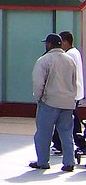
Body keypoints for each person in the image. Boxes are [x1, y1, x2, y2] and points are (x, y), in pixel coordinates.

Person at [31, 33, 78, 171]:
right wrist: (72, 98)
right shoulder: (70, 60)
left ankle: (42, 162)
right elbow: (74, 82)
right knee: (66, 133)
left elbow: (38, 82)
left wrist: (38, 97)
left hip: (49, 101)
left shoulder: (44, 60)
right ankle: (69, 162)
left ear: (49, 44)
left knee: (43, 133)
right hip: (68, 102)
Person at [51, 30, 83, 155]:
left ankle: (61, 144)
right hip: (74, 92)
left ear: (65, 42)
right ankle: (75, 141)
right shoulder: (75, 52)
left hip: (69, 93)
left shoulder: (69, 55)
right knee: (72, 120)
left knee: (64, 120)